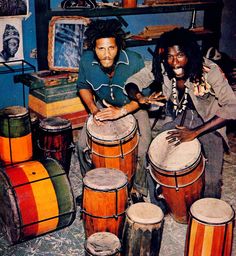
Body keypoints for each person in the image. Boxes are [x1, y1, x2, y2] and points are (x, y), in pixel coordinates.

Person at [125, 27, 236, 200]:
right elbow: (133, 81)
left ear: (190, 54)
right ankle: (158, 206)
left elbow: (232, 106)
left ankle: (205, 216)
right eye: (170, 56)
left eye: (180, 56)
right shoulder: (162, 66)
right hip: (179, 118)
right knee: (153, 157)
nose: (174, 62)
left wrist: (195, 132)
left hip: (208, 121)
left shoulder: (209, 70)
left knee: (212, 178)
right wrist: (139, 97)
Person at [76, 19, 165, 204]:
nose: (107, 54)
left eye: (111, 48)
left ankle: (137, 189)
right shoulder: (86, 60)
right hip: (102, 105)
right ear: (94, 48)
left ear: (119, 47)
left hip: (133, 106)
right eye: (101, 49)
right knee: (82, 145)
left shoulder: (134, 60)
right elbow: (83, 86)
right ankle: (91, 184)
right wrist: (93, 109)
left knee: (142, 148)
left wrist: (122, 111)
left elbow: (144, 98)